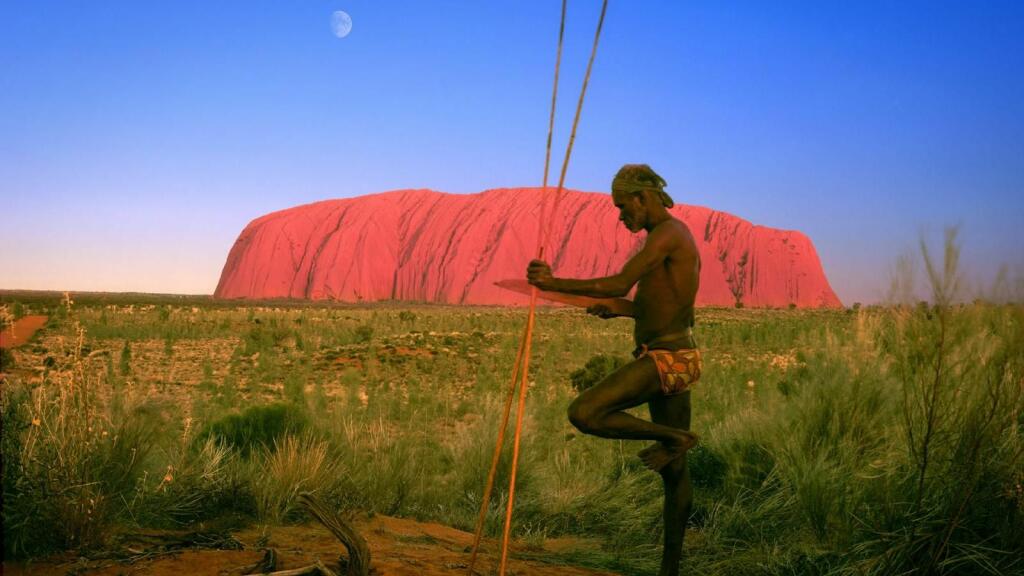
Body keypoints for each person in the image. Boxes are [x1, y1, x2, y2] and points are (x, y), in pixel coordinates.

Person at [526, 164, 701, 576]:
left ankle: (675, 436)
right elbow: (654, 304)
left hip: (663, 360)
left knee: (584, 413)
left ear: (642, 198)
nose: (622, 216)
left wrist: (552, 284)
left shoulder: (668, 234)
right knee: (675, 473)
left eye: (624, 206)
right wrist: (619, 312)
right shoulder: (672, 239)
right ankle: (669, 571)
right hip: (679, 358)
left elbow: (620, 283)